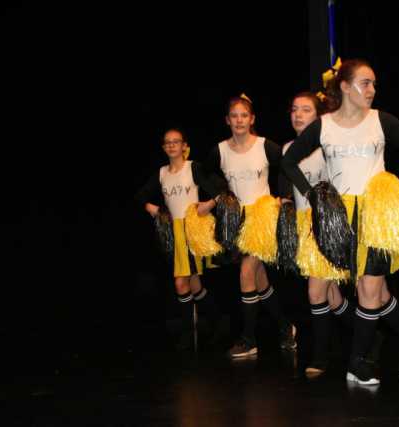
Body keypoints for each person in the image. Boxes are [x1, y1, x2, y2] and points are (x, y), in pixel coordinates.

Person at [282, 59, 399, 385]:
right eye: (366, 83)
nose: (372, 89)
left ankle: (357, 363)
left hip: (376, 214)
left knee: (369, 288)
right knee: (376, 292)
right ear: (345, 87)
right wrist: (313, 195)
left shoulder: (381, 121)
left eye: (374, 84)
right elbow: (289, 162)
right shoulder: (323, 126)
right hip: (340, 217)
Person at [206, 95, 297, 358]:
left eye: (244, 115)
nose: (239, 120)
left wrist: (283, 196)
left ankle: (248, 339)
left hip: (263, 219)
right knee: (259, 280)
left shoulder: (265, 146)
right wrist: (219, 196)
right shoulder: (220, 150)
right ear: (227, 120)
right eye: (234, 116)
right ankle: (286, 327)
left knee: (247, 272)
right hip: (238, 220)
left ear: (252, 119)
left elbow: (287, 167)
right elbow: (204, 173)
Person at [280, 92, 357, 377]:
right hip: (305, 227)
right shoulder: (289, 147)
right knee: (332, 297)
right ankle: (369, 336)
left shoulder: (326, 145)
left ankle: (321, 357)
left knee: (315, 293)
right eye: (294, 109)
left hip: (326, 227)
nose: (298, 115)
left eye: (305, 110)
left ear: (318, 115)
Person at [136, 128, 223, 350]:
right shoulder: (161, 173)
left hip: (192, 232)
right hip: (175, 234)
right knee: (194, 283)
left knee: (181, 282)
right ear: (164, 147)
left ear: (184, 146)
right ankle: (216, 322)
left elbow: (220, 190)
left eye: (176, 142)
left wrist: (209, 204)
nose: (172, 145)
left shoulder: (193, 167)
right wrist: (150, 207)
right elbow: (141, 195)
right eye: (168, 142)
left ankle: (188, 331)